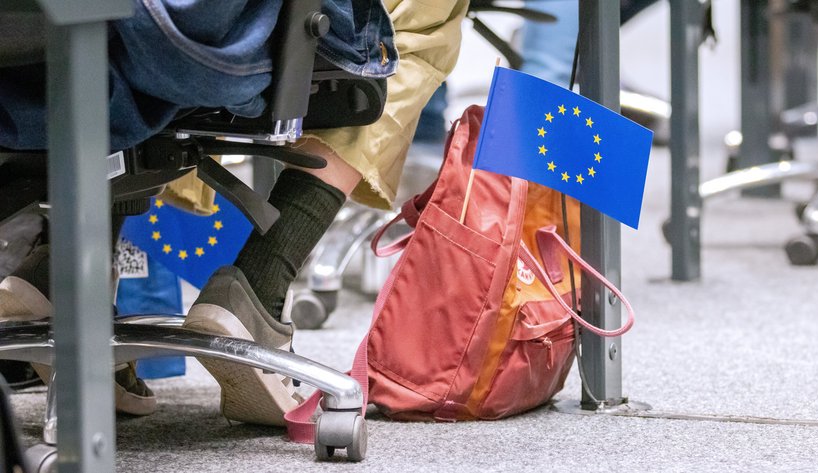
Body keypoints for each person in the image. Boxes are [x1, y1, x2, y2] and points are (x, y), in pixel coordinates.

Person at [0, 0, 469, 424]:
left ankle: (65, 273)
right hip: (190, 48)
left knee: (99, 34)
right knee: (425, 13)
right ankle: (258, 286)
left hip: (21, 58)